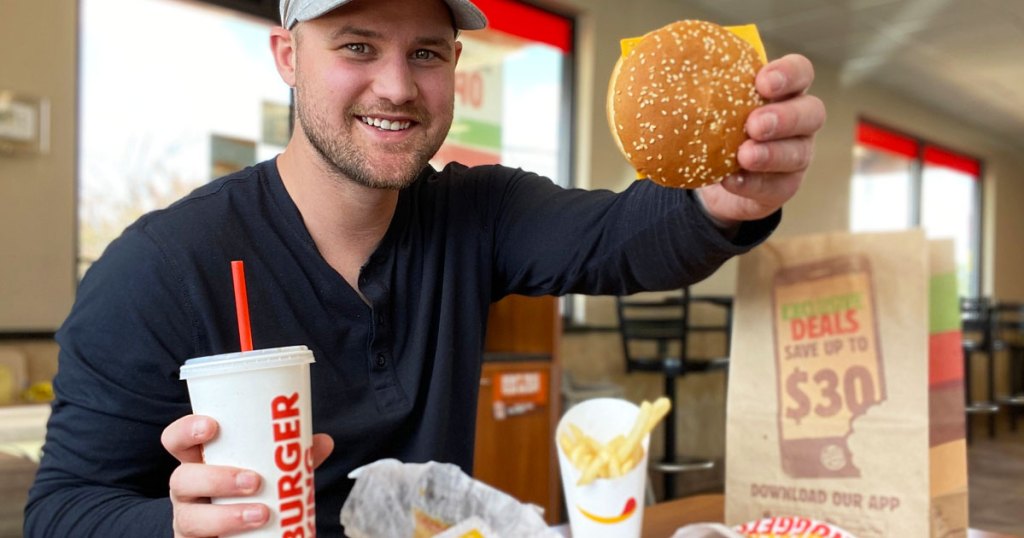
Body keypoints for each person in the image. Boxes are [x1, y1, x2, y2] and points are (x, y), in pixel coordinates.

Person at [24, 0, 826, 536]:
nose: (399, 86)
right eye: (357, 46)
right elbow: (57, 510)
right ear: (287, 56)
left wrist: (730, 197)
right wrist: (171, 522)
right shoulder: (158, 269)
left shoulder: (476, 214)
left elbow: (625, 236)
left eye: (428, 53)